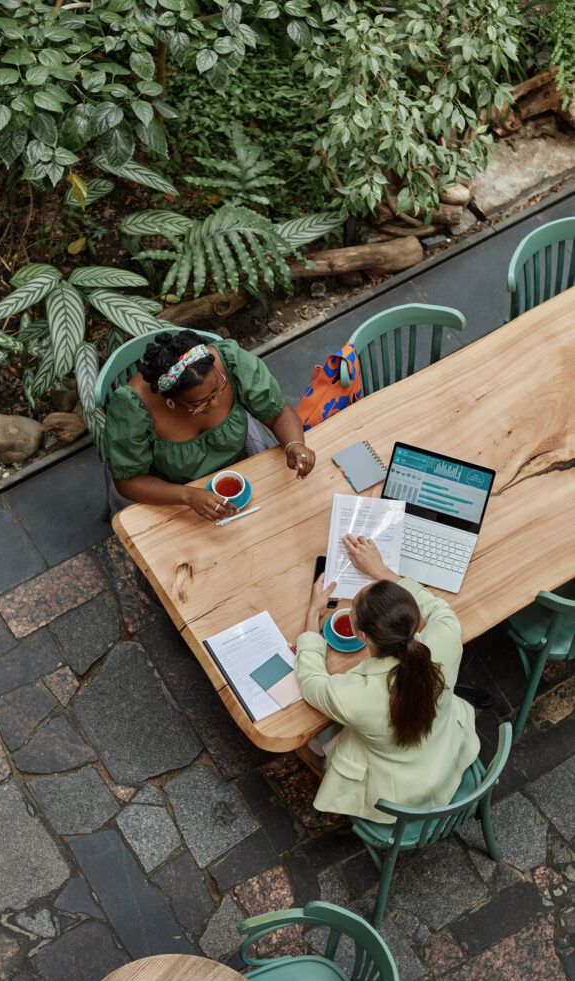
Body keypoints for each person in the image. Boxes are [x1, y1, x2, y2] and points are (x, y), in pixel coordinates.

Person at [295, 533, 480, 823]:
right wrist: (380, 570)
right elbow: (439, 608)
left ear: (362, 636)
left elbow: (310, 681)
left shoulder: (353, 694)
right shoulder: (445, 637)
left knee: (314, 738)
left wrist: (312, 614)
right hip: (450, 755)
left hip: (398, 799)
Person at [104, 329, 316, 520]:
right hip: (169, 491)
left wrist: (294, 445)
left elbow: (278, 414)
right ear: (171, 401)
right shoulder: (132, 406)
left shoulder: (229, 361)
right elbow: (128, 482)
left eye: (218, 389)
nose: (214, 404)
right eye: (199, 403)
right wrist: (188, 495)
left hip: (238, 464)